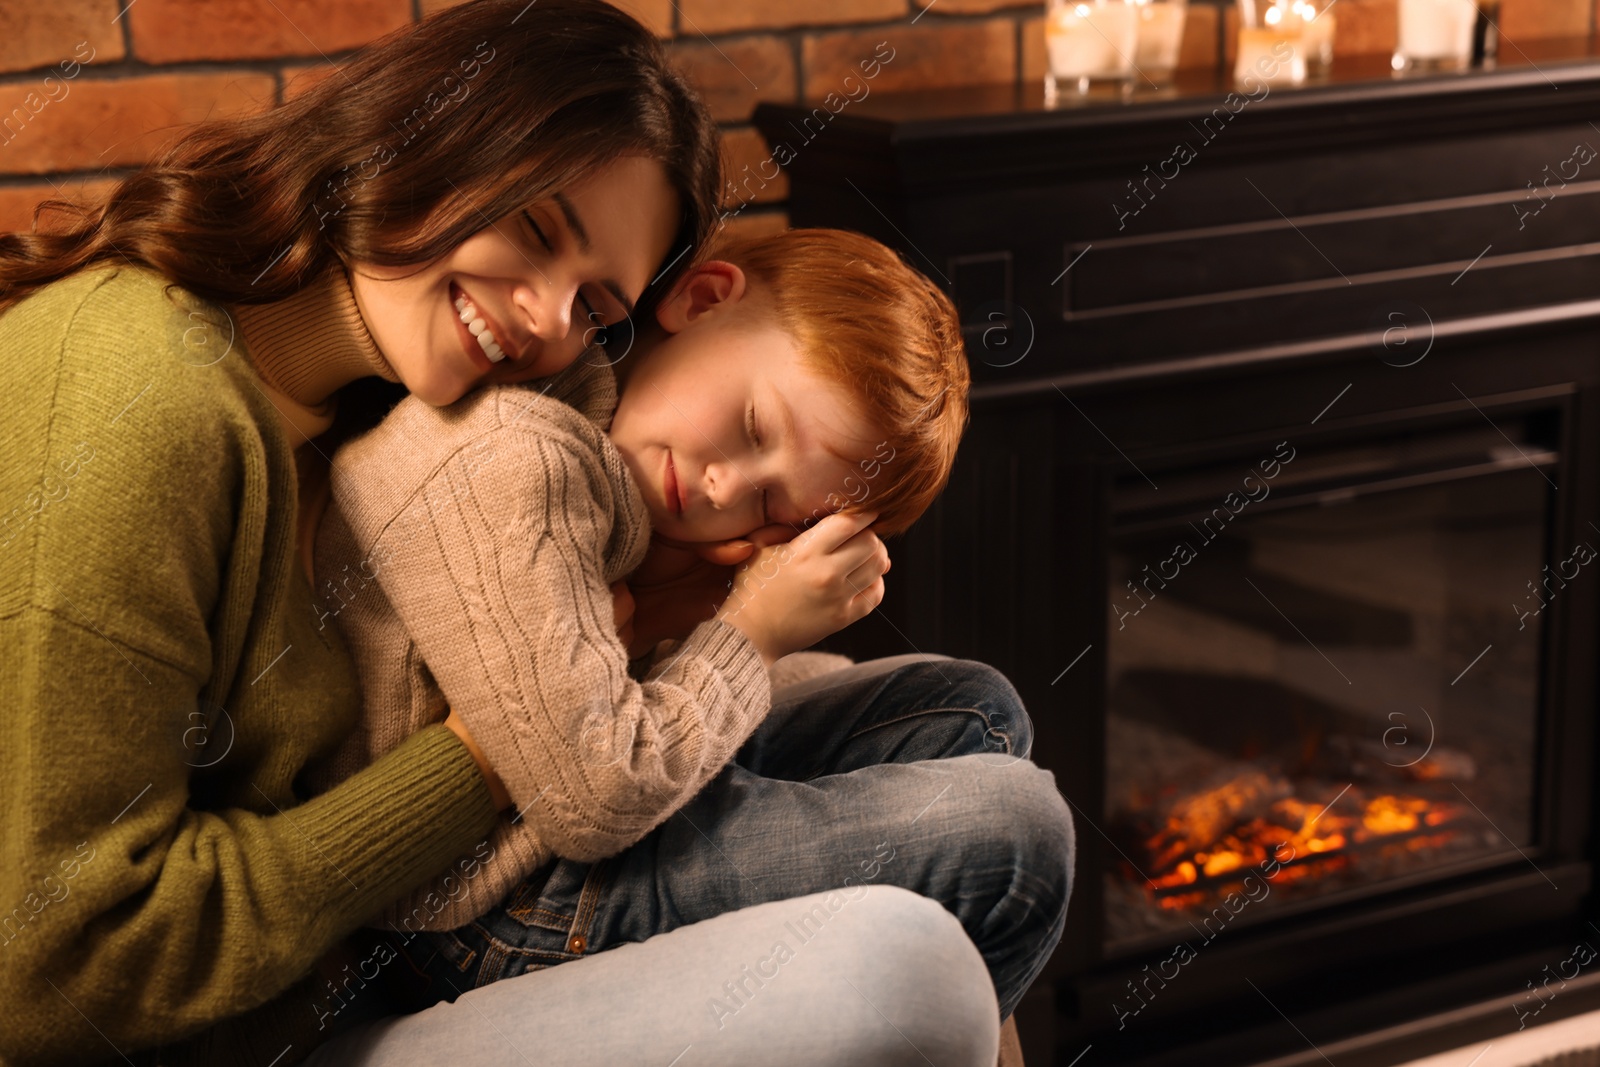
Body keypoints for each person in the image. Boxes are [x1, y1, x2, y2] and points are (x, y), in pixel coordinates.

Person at [0, 2, 1016, 1064]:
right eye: (536, 230)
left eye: (593, 304)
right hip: (273, 1023)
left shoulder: (380, 393)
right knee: (926, 945)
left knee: (970, 722)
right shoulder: (132, 397)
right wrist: (474, 764)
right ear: (426, 132)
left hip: (369, 950)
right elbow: (58, 971)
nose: (541, 317)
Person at [303, 225, 1076, 1028]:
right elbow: (595, 796)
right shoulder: (517, 456)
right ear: (704, 299)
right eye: (751, 425)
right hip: (489, 903)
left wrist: (692, 606)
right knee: (1022, 838)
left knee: (976, 709)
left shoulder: (602, 436)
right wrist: (750, 633)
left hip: (574, 822)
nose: (722, 486)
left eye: (776, 507)